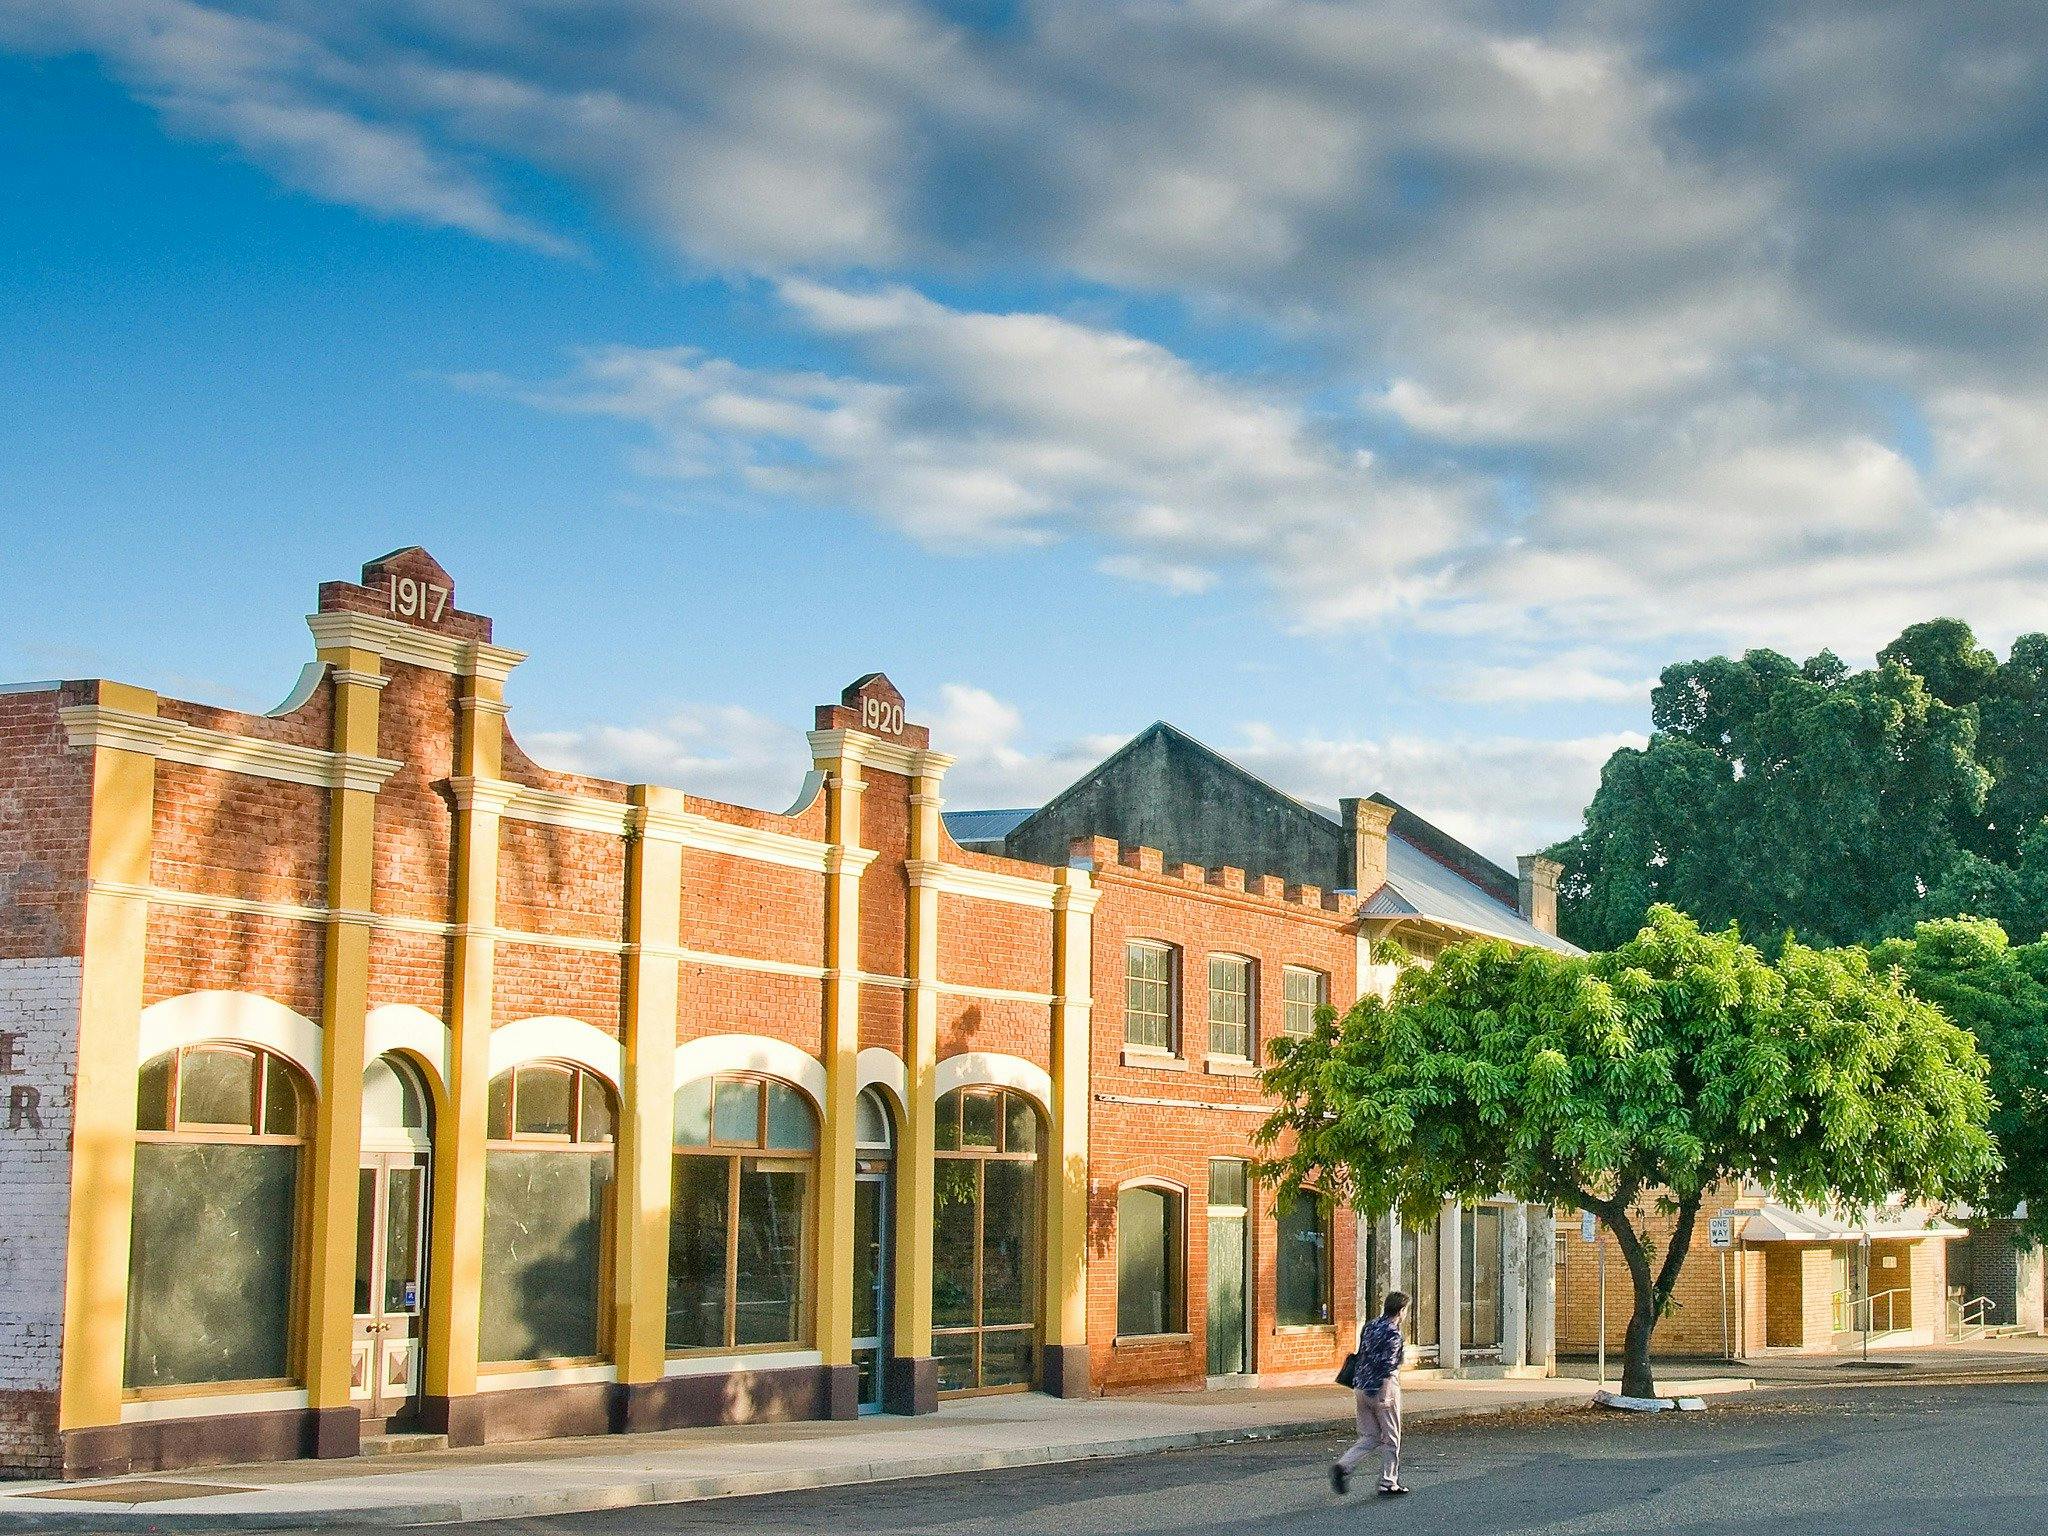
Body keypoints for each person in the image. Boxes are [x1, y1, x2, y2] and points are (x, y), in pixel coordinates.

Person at [1332, 1290, 1408, 1497]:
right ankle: (1388, 1481)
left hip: (1360, 1386)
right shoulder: (1393, 1333)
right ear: (1401, 1310)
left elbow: (1363, 1353)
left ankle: (1343, 1465)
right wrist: (1386, 1391)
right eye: (1405, 1310)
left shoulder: (1370, 1326)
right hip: (1382, 1387)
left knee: (1370, 1436)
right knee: (1391, 1437)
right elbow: (1389, 1364)